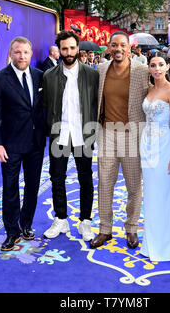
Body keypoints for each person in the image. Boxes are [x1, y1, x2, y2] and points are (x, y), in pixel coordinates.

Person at [90, 31, 149, 249]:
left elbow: (157, 93)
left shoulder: (142, 71)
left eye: (122, 45)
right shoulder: (102, 68)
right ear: (109, 47)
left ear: (130, 47)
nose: (118, 49)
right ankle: (105, 229)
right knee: (105, 184)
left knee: (134, 186)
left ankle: (131, 227)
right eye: (114, 45)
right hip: (106, 134)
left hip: (132, 136)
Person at [0, 36, 46, 251]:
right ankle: (12, 232)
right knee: (10, 189)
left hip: (36, 143)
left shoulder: (40, 77)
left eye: (26, 52)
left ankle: (26, 224)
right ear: (11, 54)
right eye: (17, 52)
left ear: (31, 54)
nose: (22, 56)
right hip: (10, 144)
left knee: (33, 186)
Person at [42, 30, 99, 241]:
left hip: (83, 135)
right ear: (59, 50)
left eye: (72, 48)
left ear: (78, 49)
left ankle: (85, 221)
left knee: (86, 179)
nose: (68, 52)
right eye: (64, 48)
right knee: (57, 178)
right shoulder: (49, 76)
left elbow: (95, 105)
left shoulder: (92, 75)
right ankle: (61, 219)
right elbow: (45, 105)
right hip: (60, 134)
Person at [140, 52, 170, 262]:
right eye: (153, 65)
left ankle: (162, 247)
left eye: (160, 65)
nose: (157, 69)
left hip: (164, 146)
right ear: (149, 68)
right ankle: (149, 243)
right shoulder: (150, 89)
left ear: (167, 67)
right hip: (146, 145)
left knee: (161, 196)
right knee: (150, 196)